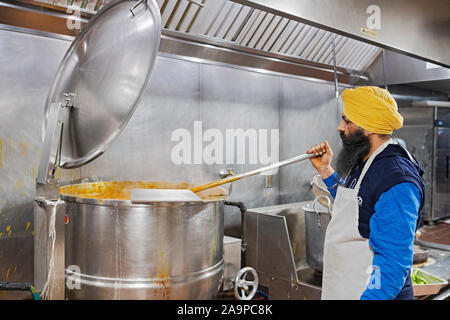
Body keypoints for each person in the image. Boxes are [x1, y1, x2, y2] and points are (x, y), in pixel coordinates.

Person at [307, 86, 425, 300]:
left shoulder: (395, 179)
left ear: (368, 127)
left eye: (347, 121)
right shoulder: (366, 161)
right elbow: (357, 206)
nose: (340, 127)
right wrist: (325, 170)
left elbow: (392, 264)